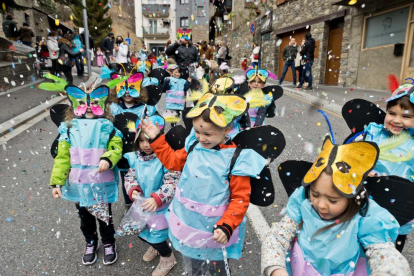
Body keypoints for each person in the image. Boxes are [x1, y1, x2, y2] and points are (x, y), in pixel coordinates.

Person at [141, 93, 267, 276]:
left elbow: (240, 198)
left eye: (207, 133)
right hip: (189, 225)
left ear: (227, 129)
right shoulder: (194, 147)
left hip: (215, 230)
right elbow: (172, 162)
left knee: (217, 269)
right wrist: (156, 138)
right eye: (197, 132)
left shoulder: (235, 159)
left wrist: (227, 225)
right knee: (195, 268)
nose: (201, 138)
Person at [262, 137, 411, 276]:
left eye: (333, 201)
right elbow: (278, 236)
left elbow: (385, 254)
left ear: (352, 198)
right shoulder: (303, 200)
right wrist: (276, 269)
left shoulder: (365, 217)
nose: (320, 205)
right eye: (315, 194)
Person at [50, 84, 123, 266]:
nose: (89, 106)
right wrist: (57, 182)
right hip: (80, 183)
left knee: (104, 216)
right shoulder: (69, 129)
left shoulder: (107, 128)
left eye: (95, 103)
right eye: (84, 103)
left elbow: (116, 147)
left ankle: (108, 242)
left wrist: (108, 157)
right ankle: (90, 241)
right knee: (85, 217)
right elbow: (62, 158)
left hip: (100, 181)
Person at [351, 82, 414, 252]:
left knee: (392, 247)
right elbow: (353, 156)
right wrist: (362, 169)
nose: (396, 120)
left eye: (406, 116)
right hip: (369, 202)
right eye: (391, 113)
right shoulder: (372, 133)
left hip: (400, 210)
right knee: (363, 243)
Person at [123, 115, 181, 276]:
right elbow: (130, 176)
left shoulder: (165, 159)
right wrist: (132, 188)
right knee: (140, 232)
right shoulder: (136, 158)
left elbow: (172, 181)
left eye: (149, 139)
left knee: (157, 236)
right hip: (142, 205)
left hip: (161, 207)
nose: (146, 144)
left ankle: (168, 257)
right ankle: (155, 246)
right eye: (141, 140)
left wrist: (158, 198)